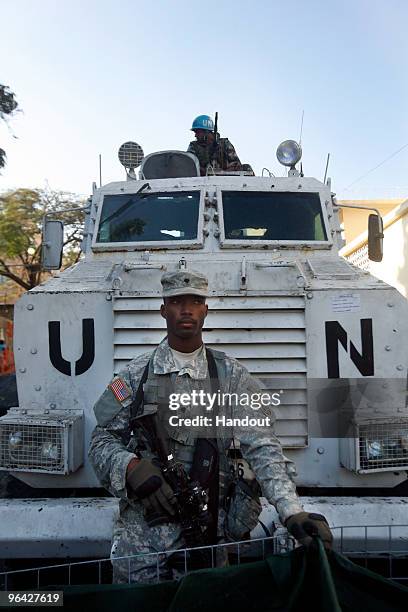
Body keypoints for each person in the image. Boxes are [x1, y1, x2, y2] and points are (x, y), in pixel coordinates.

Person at [88, 270, 332, 584]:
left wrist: (291, 511)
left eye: (195, 301)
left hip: (207, 538)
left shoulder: (232, 376)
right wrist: (130, 467)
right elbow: (102, 439)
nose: (186, 309)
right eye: (177, 301)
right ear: (163, 310)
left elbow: (262, 448)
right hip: (142, 547)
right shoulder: (137, 375)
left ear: (206, 309)